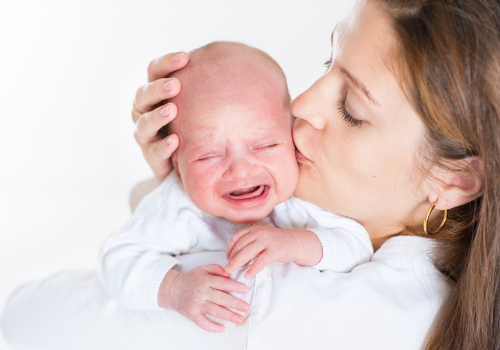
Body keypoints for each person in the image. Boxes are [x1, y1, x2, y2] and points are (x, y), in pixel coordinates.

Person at [1, 0, 498, 349]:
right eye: (329, 62)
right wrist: (182, 182)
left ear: (453, 180)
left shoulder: (267, 300)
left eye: (350, 108)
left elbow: (25, 317)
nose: (299, 105)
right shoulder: (418, 268)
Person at [99, 41, 372, 333]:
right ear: (177, 164)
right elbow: (116, 258)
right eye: (209, 156)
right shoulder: (177, 205)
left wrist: (296, 243)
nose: (241, 170)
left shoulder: (300, 195)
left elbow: (358, 246)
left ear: (293, 136)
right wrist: (174, 289)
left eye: (266, 145)